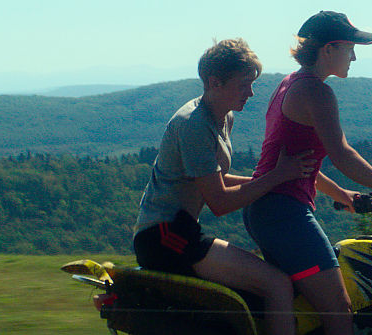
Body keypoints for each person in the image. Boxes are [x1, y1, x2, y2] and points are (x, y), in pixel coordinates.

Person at [242, 11, 372, 335]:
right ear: (328, 49)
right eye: (349, 48)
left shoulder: (289, 82)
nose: (354, 57)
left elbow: (302, 162)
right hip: (285, 215)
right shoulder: (316, 91)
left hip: (265, 210)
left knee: (306, 306)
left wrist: (343, 195)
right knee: (339, 310)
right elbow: (342, 155)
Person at [133, 38, 315, 334]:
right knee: (277, 284)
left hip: (178, 231)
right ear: (214, 82)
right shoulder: (193, 124)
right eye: (243, 85)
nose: (251, 93)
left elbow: (213, 181)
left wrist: (278, 182)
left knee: (258, 293)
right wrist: (278, 177)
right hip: (165, 236)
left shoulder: (223, 117)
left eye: (252, 84)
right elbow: (219, 202)